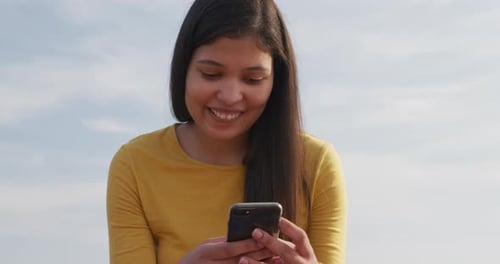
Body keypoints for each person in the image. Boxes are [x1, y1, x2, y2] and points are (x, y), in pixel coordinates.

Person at [106, 0, 347, 263]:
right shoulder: (136, 164)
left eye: (253, 79)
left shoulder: (315, 163)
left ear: (276, 81)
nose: (230, 97)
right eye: (211, 74)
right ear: (182, 69)